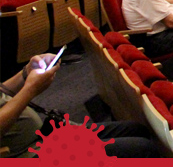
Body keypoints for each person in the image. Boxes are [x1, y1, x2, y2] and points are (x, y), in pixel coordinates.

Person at [0, 54, 160, 158]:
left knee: (136, 129)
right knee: (143, 148)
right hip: (30, 154)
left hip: (43, 135)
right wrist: (30, 89)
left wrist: (25, 73)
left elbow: (2, 91)